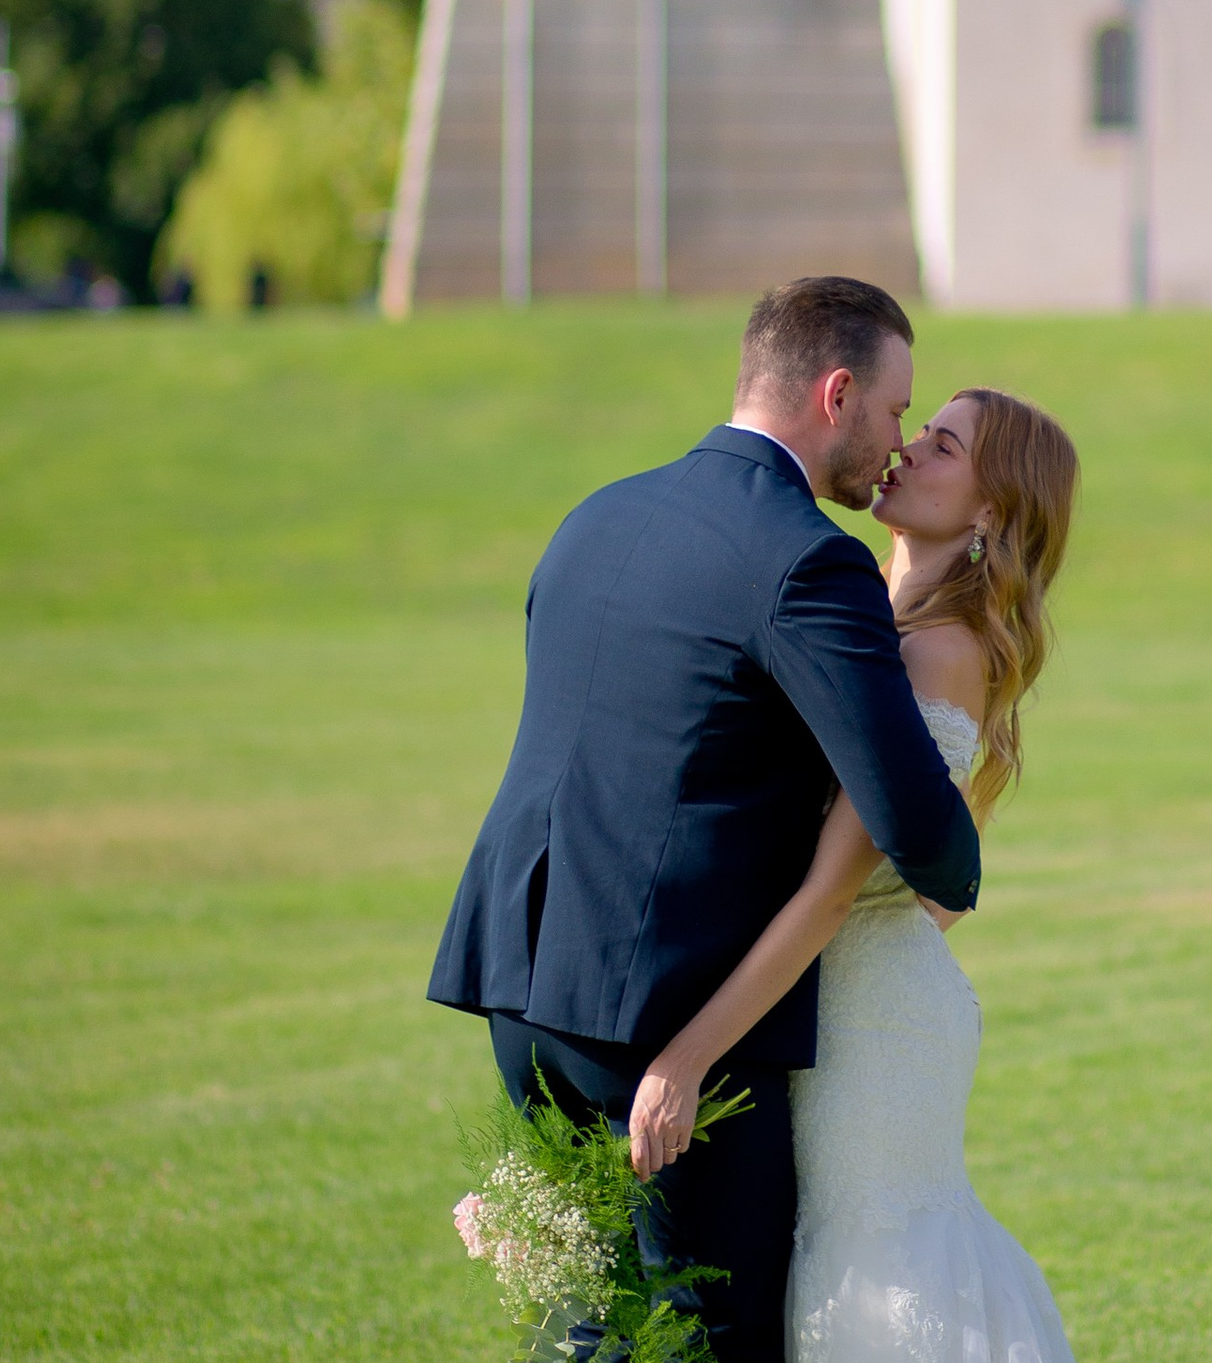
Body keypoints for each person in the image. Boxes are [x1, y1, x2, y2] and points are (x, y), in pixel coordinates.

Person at [428, 276, 982, 1361]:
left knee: (585, 1328)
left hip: (523, 987)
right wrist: (956, 860)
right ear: (835, 393)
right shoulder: (808, 558)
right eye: (892, 409)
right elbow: (918, 823)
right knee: (712, 1338)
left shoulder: (600, 513)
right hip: (668, 1022)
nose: (897, 441)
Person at [628, 385, 1081, 1363]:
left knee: (865, 1287)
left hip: (872, 1031)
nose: (907, 448)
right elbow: (937, 883)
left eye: (943, 443)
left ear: (990, 511)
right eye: (918, 426)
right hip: (836, 993)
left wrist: (687, 1054)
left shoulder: (941, 651)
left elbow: (843, 884)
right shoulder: (859, 608)